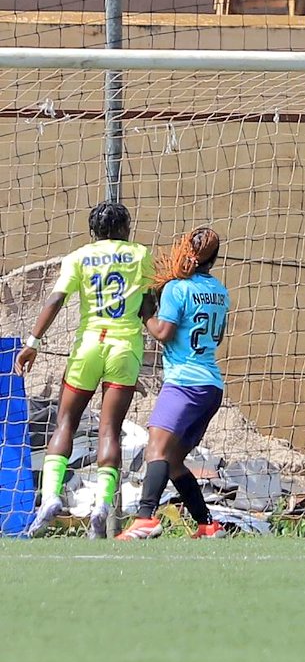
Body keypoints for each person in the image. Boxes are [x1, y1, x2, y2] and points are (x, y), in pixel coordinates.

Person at [16, 202, 153, 539]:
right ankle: (103, 506)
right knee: (110, 431)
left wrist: (33, 342)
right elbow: (148, 307)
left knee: (65, 422)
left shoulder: (79, 257)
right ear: (126, 229)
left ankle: (50, 497)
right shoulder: (141, 255)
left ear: (93, 231)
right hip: (125, 349)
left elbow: (56, 300)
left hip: (88, 346)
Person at [117, 228, 229, 540]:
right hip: (211, 386)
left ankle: (145, 518)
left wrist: (146, 314)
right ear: (214, 260)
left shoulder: (177, 289)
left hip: (184, 384)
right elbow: (218, 336)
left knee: (156, 448)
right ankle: (208, 525)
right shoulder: (221, 291)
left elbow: (164, 333)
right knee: (174, 460)